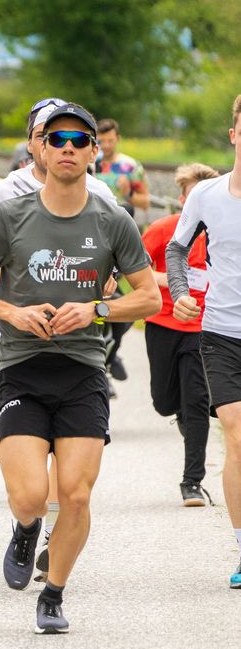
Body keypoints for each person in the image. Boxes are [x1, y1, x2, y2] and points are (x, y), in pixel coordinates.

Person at [0, 102, 158, 633]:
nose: (68, 147)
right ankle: (24, 528)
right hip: (21, 365)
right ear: (39, 148)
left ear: (94, 152)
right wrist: (10, 310)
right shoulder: (11, 214)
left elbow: (150, 297)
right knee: (29, 497)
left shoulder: (112, 220)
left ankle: (54, 595)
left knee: (78, 494)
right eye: (57, 139)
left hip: (84, 369)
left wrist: (96, 309)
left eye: (79, 140)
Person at [167, 95, 241, 588]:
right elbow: (176, 248)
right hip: (221, 332)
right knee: (236, 434)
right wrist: (179, 293)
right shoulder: (207, 195)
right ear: (234, 133)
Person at [143, 164, 217, 506]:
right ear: (182, 198)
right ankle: (183, 413)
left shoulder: (223, 232)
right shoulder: (163, 230)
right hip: (163, 322)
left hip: (203, 328)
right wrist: (169, 281)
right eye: (191, 196)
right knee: (164, 400)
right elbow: (136, 271)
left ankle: (192, 482)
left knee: (197, 400)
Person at [96, 118, 149, 214]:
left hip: (120, 224)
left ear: (118, 139)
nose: (106, 145)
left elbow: (145, 203)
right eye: (101, 141)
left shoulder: (131, 166)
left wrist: (128, 194)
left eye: (110, 140)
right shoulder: (89, 164)